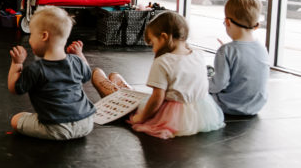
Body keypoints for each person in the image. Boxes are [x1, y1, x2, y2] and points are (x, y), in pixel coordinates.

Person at [92, 11, 225, 139]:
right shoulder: (198, 54)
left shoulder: (163, 61)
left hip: (173, 118)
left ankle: (114, 91)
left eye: (153, 44)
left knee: (131, 106)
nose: (153, 49)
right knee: (141, 97)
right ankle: (125, 90)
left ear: (164, 37)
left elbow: (157, 99)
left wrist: (141, 117)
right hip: (200, 115)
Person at [7, 7, 96, 140]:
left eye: (31, 35)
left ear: (44, 36)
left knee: (16, 119)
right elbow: (87, 74)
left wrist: (16, 64)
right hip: (86, 123)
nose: (30, 40)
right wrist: (79, 55)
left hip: (56, 128)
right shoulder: (76, 62)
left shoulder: (36, 69)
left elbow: (14, 88)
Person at [208, 0, 269, 116]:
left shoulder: (226, 51)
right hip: (256, 106)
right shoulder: (262, 48)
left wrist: (200, 83)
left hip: (229, 106)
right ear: (256, 26)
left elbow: (218, 85)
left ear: (227, 22)